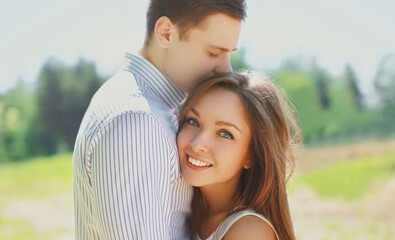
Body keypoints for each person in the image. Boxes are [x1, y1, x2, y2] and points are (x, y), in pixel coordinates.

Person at [72, 0, 246, 239]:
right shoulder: (137, 121)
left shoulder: (148, 109)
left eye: (228, 54)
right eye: (214, 53)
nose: (226, 69)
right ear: (166, 33)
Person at [177, 72, 301, 240]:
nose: (197, 144)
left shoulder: (250, 232)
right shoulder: (189, 209)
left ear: (251, 155)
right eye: (193, 121)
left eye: (225, 134)